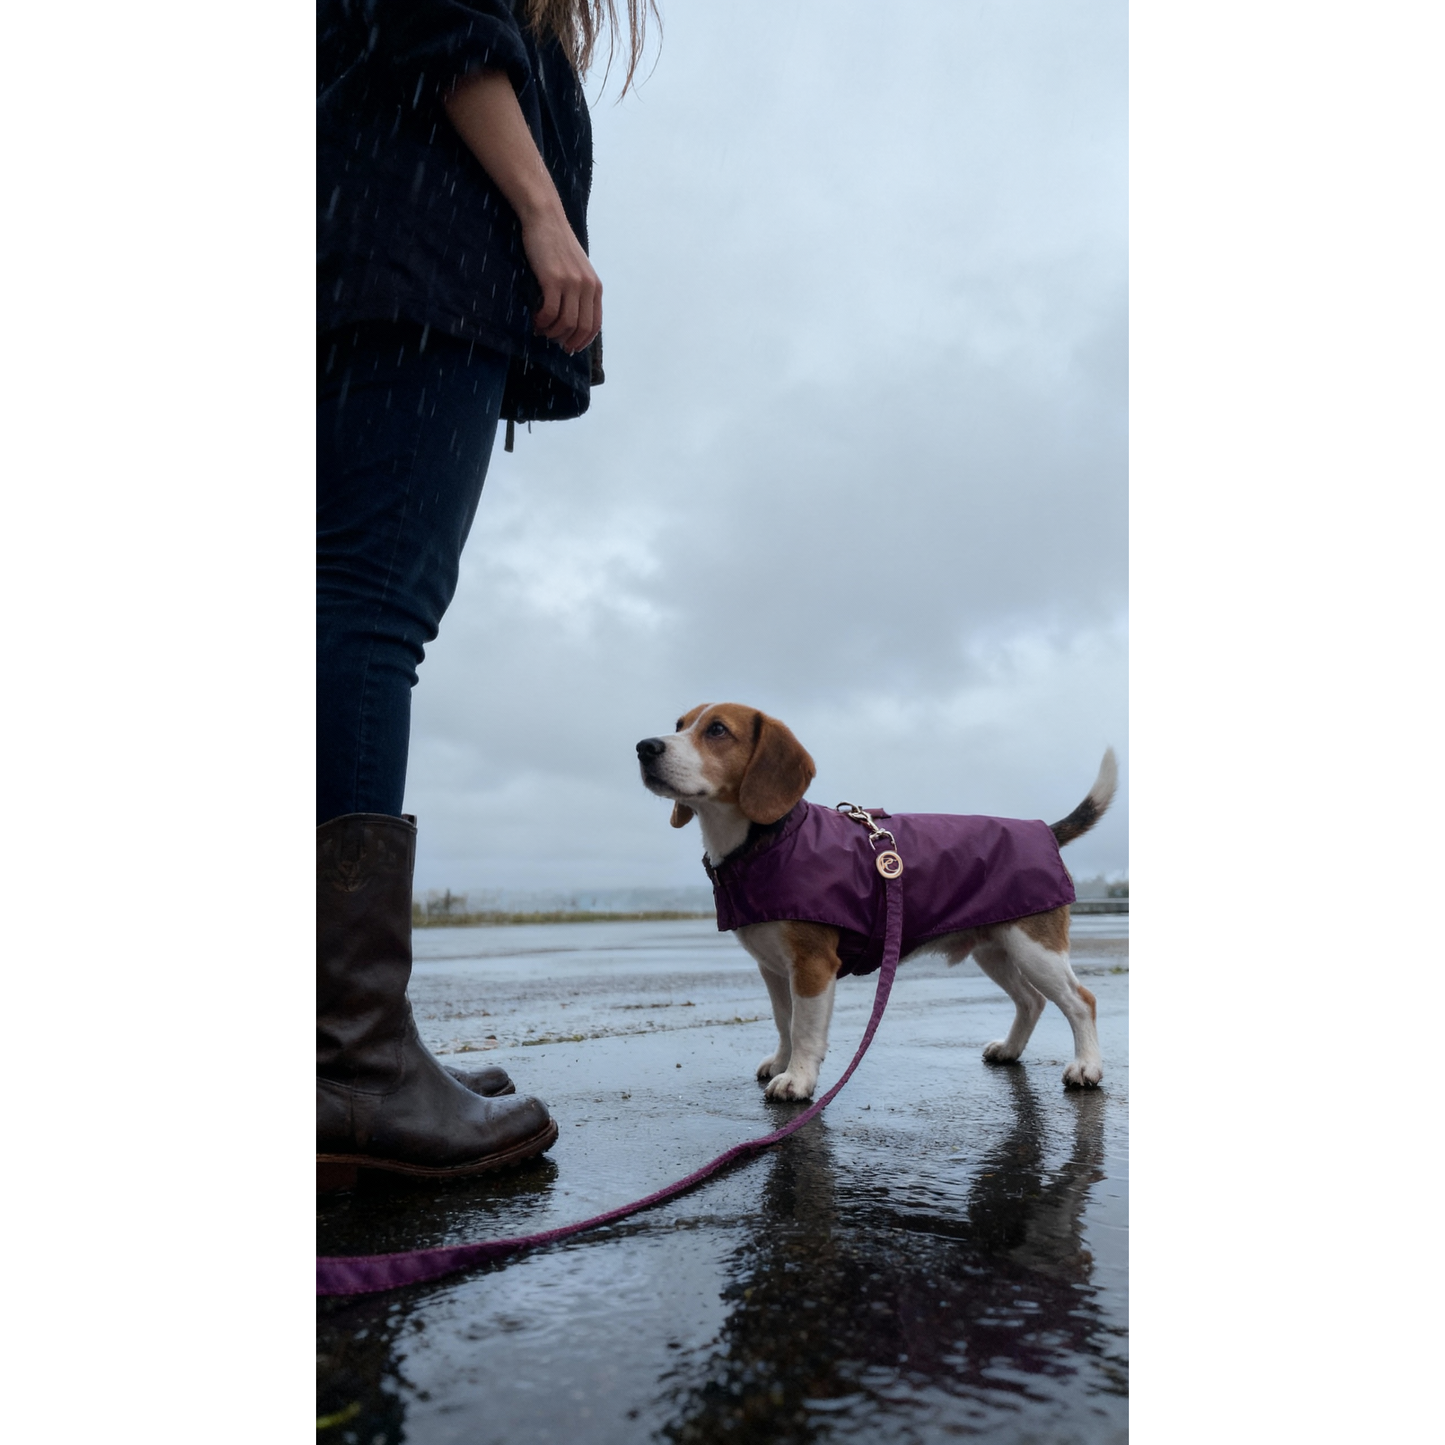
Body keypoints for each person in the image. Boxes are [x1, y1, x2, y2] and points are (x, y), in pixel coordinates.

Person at [316, 0, 655, 1186]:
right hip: (409, 275)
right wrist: (543, 215)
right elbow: (440, 21)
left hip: (358, 256)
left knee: (338, 606)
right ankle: (350, 1064)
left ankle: (339, 1044)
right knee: (369, 609)